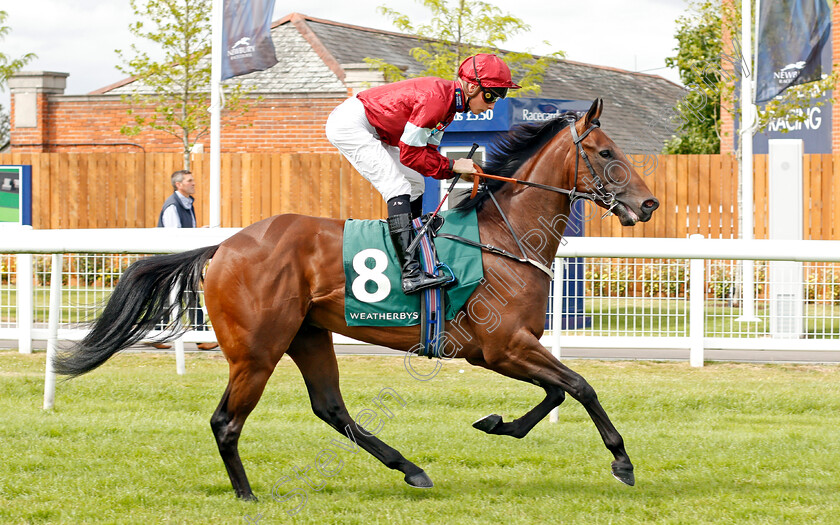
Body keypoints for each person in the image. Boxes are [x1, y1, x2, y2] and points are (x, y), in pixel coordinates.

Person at [326, 53, 521, 294]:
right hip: (351, 125)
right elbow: (410, 155)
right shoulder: (437, 101)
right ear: (471, 86)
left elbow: (424, 155)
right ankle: (410, 274)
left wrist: (453, 169)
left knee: (415, 183)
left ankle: (417, 250)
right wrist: (452, 166)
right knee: (397, 187)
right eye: (491, 95)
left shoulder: (449, 107)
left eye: (498, 98)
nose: (492, 104)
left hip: (378, 130)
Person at [154, 169, 219, 350]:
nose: (193, 183)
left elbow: (184, 232)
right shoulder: (173, 206)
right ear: (179, 185)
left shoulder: (186, 203)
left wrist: (199, 231)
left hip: (181, 260)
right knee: (187, 297)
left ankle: (157, 334)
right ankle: (200, 336)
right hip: (173, 261)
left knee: (175, 298)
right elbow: (174, 236)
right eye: (190, 181)